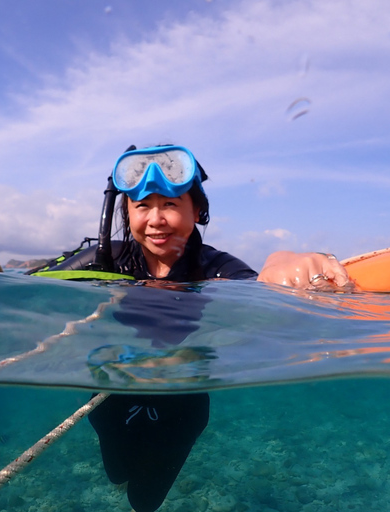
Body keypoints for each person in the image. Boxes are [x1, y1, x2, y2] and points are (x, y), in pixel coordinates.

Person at [75, 144, 350, 511]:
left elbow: (259, 292)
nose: (156, 219)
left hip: (181, 405)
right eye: (142, 205)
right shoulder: (101, 262)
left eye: (170, 204)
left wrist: (285, 262)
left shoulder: (217, 269)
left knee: (143, 502)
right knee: (116, 473)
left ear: (198, 211)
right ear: (126, 211)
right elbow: (27, 283)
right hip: (109, 394)